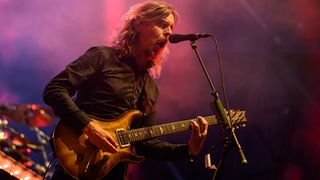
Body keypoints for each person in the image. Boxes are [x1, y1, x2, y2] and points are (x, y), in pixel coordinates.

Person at [43, 1, 208, 179]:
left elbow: (145, 144)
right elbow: (55, 89)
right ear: (139, 24)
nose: (169, 32)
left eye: (171, 27)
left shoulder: (151, 88)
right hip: (77, 160)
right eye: (162, 24)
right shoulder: (103, 57)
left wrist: (188, 149)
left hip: (114, 173)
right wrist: (89, 128)